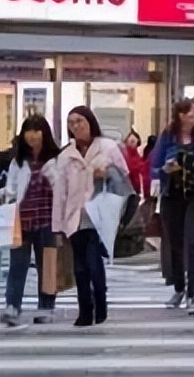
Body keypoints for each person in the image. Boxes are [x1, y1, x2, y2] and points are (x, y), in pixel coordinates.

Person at [52, 106, 129, 327]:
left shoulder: (107, 147)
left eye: (80, 121)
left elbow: (124, 177)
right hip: (75, 216)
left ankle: (100, 303)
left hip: (100, 213)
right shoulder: (66, 155)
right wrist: (57, 227)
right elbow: (60, 193)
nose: (76, 126)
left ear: (90, 122)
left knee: (94, 262)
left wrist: (106, 174)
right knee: (80, 266)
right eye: (72, 122)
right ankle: (85, 309)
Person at [151, 99, 194, 315]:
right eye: (192, 112)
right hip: (173, 196)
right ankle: (179, 288)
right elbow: (154, 164)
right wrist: (165, 169)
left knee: (193, 239)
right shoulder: (168, 136)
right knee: (175, 244)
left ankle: (193, 293)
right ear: (181, 115)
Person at [0, 115, 61, 326]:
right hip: (21, 220)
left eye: (37, 130)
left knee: (48, 266)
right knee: (18, 265)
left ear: (45, 133)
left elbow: (61, 188)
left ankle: (46, 306)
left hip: (47, 220)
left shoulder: (55, 159)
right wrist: (6, 196)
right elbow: (11, 187)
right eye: (28, 131)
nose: (32, 136)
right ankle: (12, 306)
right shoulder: (18, 161)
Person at [122, 130, 150, 197]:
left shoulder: (136, 155)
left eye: (134, 142)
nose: (133, 144)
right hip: (129, 188)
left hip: (134, 189)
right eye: (131, 141)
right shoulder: (125, 154)